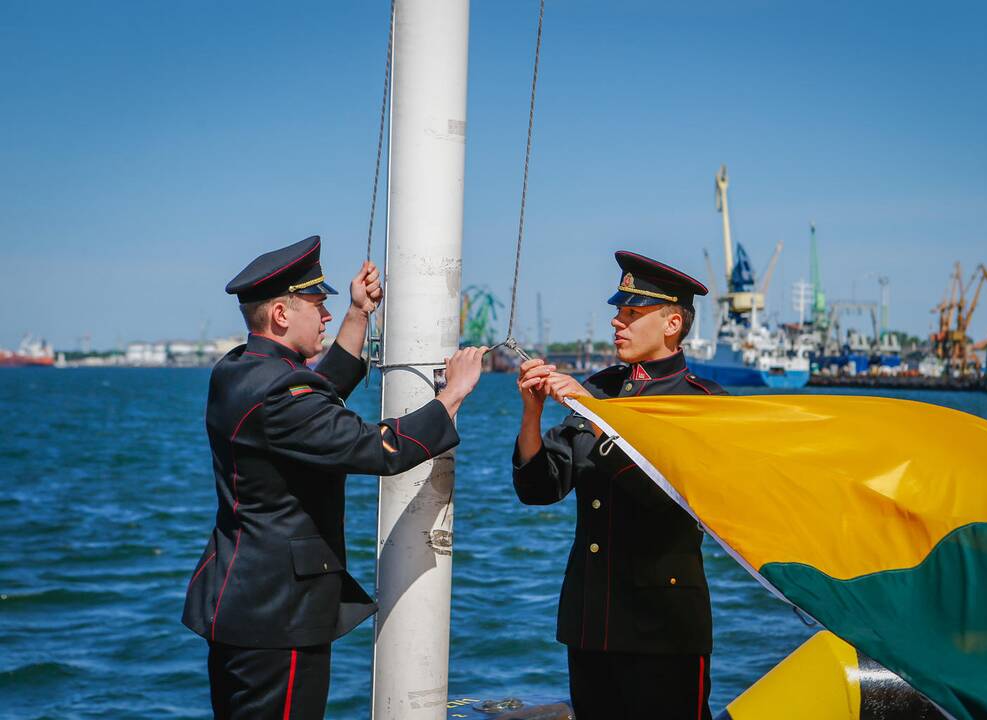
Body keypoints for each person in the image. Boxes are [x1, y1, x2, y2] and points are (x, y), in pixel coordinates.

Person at [182, 235, 484, 719]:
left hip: (244, 603)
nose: (325, 314)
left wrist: (359, 314)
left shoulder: (238, 370)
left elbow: (317, 398)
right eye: (318, 304)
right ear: (282, 314)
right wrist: (452, 396)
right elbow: (377, 448)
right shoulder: (282, 393)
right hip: (279, 616)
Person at [512, 250, 725, 720]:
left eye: (632, 314)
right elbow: (539, 489)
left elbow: (668, 495)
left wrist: (598, 414)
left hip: (663, 629)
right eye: (618, 312)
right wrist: (532, 413)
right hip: (591, 623)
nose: (616, 323)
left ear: (672, 324)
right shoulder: (603, 389)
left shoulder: (703, 404)